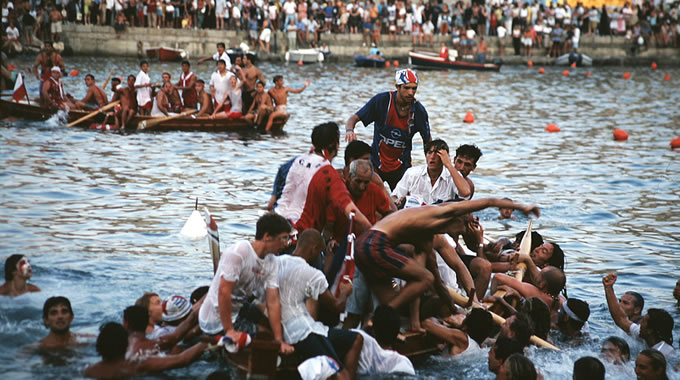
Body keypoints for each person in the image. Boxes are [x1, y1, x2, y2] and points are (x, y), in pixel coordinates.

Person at [355, 198, 539, 330]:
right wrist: (520, 207)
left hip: (362, 246)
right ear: (457, 219)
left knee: (424, 279)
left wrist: (458, 309)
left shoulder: (426, 237)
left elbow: (435, 281)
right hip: (374, 244)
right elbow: (489, 201)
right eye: (464, 225)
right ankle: (379, 319)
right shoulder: (438, 213)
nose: (463, 231)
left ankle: (383, 321)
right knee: (421, 280)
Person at [198, 213, 294, 354]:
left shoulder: (272, 261)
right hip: (215, 318)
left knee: (275, 332)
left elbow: (272, 302)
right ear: (267, 236)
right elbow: (224, 292)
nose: (287, 244)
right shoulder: (239, 252)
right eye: (283, 238)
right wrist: (230, 330)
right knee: (265, 335)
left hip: (238, 308)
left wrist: (279, 339)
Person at [277, 229, 362, 380]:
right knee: (341, 374)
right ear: (314, 249)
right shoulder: (313, 274)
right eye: (320, 253)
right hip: (304, 333)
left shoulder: (278, 262)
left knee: (356, 338)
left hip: (286, 328)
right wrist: (345, 292)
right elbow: (337, 306)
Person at [274, 122, 372, 235]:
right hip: (297, 236)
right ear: (336, 144)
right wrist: (375, 235)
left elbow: (273, 202)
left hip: (273, 224)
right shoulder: (329, 175)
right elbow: (352, 212)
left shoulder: (293, 162)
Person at [345, 69, 431, 190]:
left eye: (414, 88)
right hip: (376, 164)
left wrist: (431, 165)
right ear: (397, 86)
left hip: (402, 167)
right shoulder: (382, 101)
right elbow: (353, 118)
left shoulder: (419, 111)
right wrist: (350, 130)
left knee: (402, 203)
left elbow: (428, 141)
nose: (411, 93)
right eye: (406, 88)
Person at [83, 322, 207, 379]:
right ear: (125, 344)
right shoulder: (136, 365)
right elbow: (183, 359)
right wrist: (206, 342)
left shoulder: (89, 370)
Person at [392, 138, 472, 204]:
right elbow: (394, 196)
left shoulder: (452, 175)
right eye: (429, 153)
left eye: (437, 154)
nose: (432, 157)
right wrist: (397, 201)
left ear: (444, 157)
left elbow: (465, 193)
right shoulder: (412, 173)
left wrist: (448, 164)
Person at [352, 305, 415, 376]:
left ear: (373, 331)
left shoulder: (363, 351)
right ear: (397, 334)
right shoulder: (403, 363)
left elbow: (355, 333)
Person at [422, 308, 494, 356]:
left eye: (466, 317)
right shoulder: (480, 346)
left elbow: (427, 324)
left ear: (466, 325)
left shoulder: (461, 338)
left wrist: (443, 320)